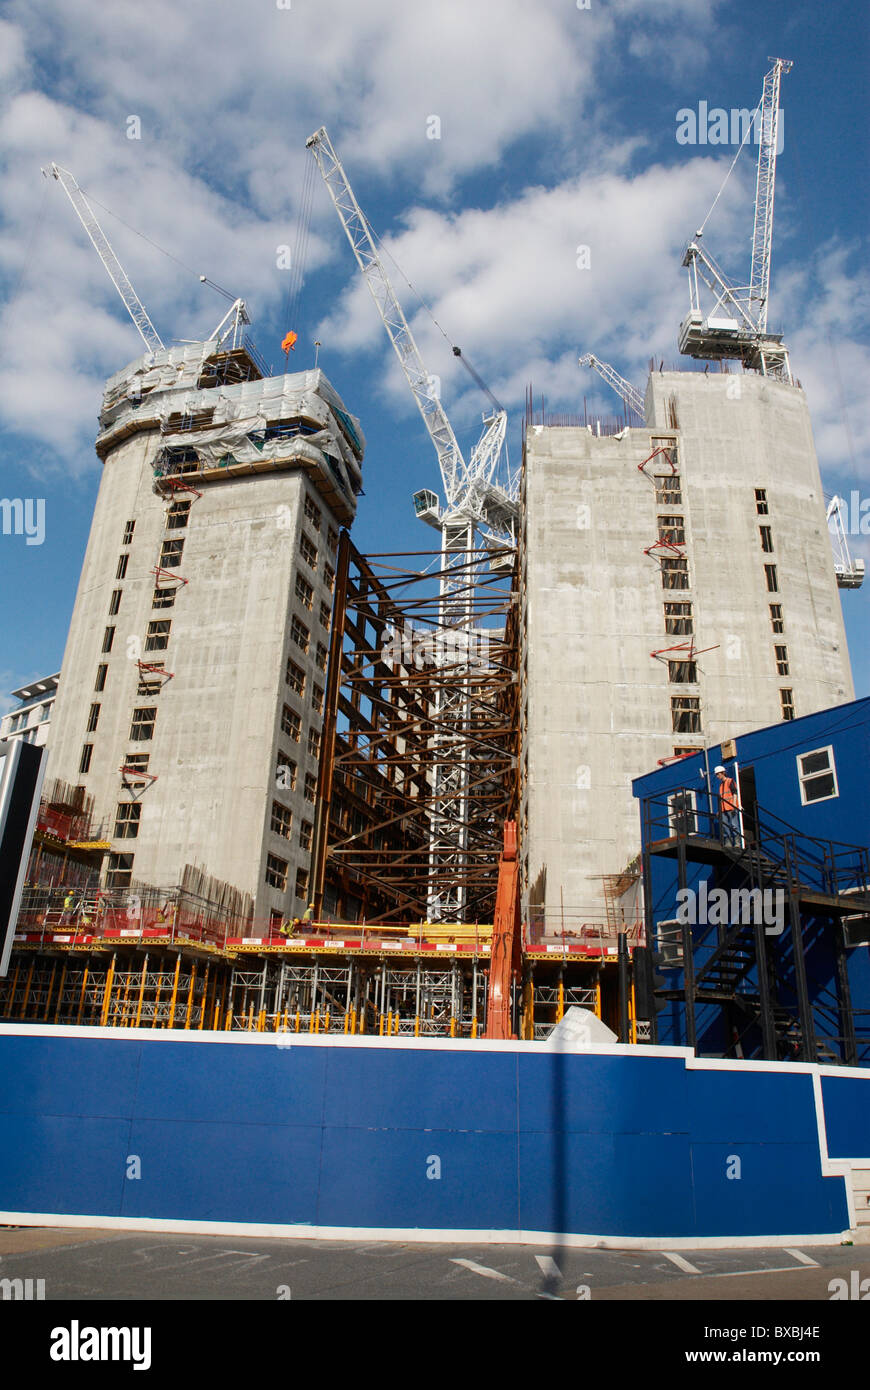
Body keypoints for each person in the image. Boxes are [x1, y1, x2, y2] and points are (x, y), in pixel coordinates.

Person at [714, 764, 741, 846]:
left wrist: (733, 806)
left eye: (718, 774)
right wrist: (719, 810)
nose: (717, 776)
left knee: (734, 825)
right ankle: (728, 842)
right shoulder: (720, 785)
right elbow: (722, 798)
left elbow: (734, 794)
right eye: (716, 775)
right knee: (725, 826)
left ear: (723, 773)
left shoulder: (730, 781)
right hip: (723, 809)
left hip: (731, 808)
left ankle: (737, 843)